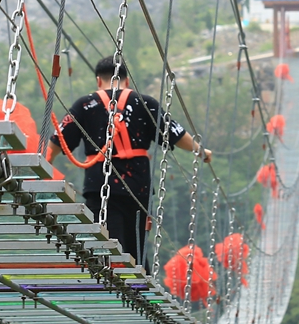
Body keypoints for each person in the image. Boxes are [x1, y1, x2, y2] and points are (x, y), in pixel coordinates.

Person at [58, 57, 212, 265]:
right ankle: (141, 285)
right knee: (136, 248)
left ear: (98, 81)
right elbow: (175, 132)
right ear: (127, 81)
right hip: (138, 186)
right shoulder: (145, 103)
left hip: (99, 187)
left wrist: (36, 173)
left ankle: (111, 281)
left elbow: (57, 143)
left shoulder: (84, 105)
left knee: (104, 244)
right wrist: (200, 151)